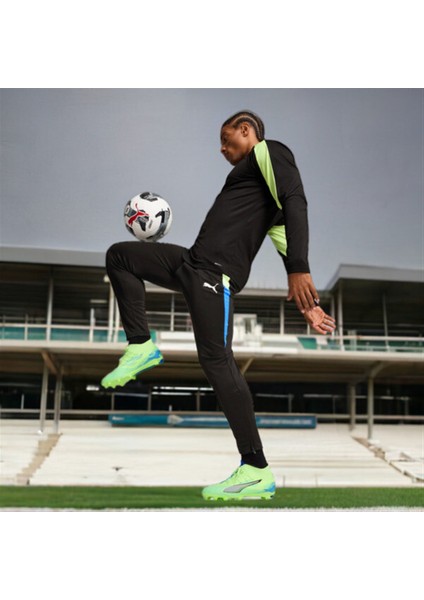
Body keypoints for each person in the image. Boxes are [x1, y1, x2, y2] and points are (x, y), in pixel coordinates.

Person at [101, 110, 336, 500]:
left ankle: (255, 469)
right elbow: (284, 236)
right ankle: (140, 345)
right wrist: (308, 302)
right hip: (192, 263)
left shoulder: (270, 152)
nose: (223, 149)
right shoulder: (252, 179)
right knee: (119, 257)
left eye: (227, 140)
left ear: (247, 131)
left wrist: (299, 270)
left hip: (214, 275)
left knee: (216, 361)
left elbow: (295, 202)